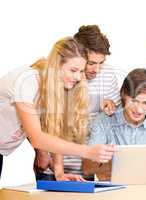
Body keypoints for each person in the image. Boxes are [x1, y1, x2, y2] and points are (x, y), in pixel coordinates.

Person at [0, 37, 116, 179]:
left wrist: (59, 172)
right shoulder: (28, 81)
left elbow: (54, 127)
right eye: (73, 70)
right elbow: (37, 138)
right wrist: (88, 151)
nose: (78, 77)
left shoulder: (58, 88)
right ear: (56, 65)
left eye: (81, 71)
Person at [34, 25, 121, 181]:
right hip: (52, 162)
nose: (97, 69)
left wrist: (112, 107)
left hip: (86, 162)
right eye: (91, 63)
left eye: (101, 62)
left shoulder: (108, 75)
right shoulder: (62, 76)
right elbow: (38, 121)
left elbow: (114, 121)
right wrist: (41, 151)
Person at [82, 69, 146, 180]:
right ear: (123, 95)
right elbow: (87, 168)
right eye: (134, 101)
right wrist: (103, 162)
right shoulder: (104, 120)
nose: (139, 110)